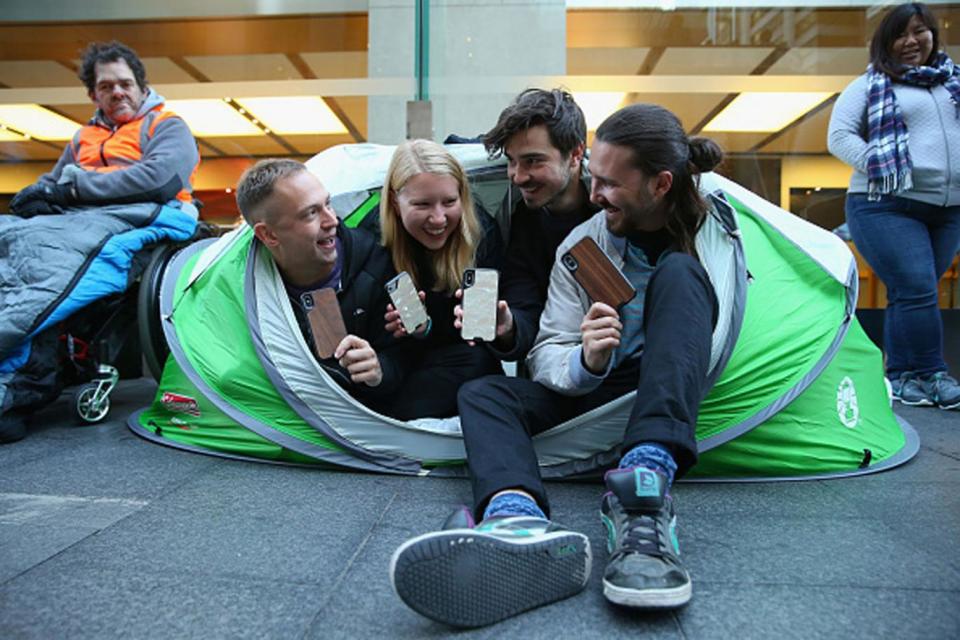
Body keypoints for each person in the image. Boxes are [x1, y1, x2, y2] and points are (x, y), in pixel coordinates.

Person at [390, 103, 725, 627]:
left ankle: (643, 492)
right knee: (483, 392)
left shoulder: (715, 234)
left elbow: (715, 326)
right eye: (595, 178)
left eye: (610, 183)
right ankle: (514, 520)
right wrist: (586, 359)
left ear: (660, 185)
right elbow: (546, 349)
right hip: (595, 383)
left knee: (680, 274)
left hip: (663, 387)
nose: (596, 193)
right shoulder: (581, 243)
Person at [827, 2, 960, 411]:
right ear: (885, 44)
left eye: (919, 31)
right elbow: (840, 135)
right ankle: (933, 373)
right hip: (885, 204)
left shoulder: (952, 82)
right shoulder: (870, 85)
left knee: (912, 291)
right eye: (899, 35)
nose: (910, 41)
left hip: (948, 208)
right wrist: (887, 166)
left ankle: (901, 377)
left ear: (933, 34)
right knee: (919, 287)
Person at [235, 159, 403, 407]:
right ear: (269, 235)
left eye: (328, 204)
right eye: (311, 213)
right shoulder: (241, 288)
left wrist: (380, 371)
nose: (332, 220)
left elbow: (415, 357)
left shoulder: (380, 263)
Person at [377, 140, 503, 420]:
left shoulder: (480, 235)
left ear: (463, 196)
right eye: (422, 204)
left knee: (476, 362)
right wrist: (414, 331)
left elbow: (477, 335)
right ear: (396, 204)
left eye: (449, 202)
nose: (438, 218)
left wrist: (431, 328)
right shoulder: (376, 244)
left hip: (460, 362)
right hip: (396, 365)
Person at [9, 40, 199, 217]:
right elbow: (53, 182)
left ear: (142, 89)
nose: (117, 93)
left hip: (154, 215)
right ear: (94, 96)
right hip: (87, 217)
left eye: (125, 84)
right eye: (106, 87)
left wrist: (75, 190)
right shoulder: (83, 136)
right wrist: (36, 195)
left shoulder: (167, 125)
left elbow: (160, 180)